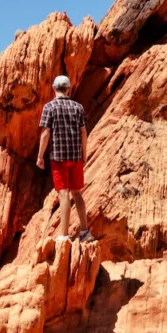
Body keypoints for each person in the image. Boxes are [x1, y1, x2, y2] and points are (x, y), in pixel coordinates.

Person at [37, 75, 93, 243]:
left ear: (54, 88)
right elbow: (83, 132)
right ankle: (85, 232)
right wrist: (84, 153)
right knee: (77, 194)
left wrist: (40, 156)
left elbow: (46, 133)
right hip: (76, 158)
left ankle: (63, 235)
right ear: (68, 89)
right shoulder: (78, 107)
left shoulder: (50, 107)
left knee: (63, 194)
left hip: (59, 158)